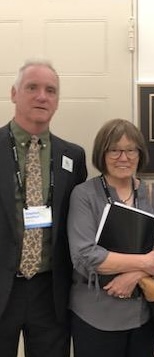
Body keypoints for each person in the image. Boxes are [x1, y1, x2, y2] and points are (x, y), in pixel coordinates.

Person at [67, 118, 154, 357]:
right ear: (102, 154)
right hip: (94, 315)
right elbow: (85, 256)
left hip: (143, 317)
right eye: (115, 150)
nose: (124, 157)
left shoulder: (151, 192)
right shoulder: (84, 195)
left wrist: (134, 275)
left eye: (130, 150)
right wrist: (145, 263)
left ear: (139, 154)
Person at [0, 59, 87, 357]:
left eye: (50, 90)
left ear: (57, 101)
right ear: (14, 94)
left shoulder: (73, 156)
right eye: (32, 88)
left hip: (50, 291)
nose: (42, 96)